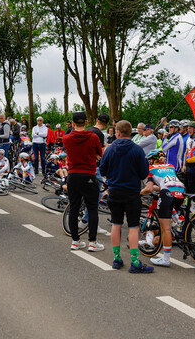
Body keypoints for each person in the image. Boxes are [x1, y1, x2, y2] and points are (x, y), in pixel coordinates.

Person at [99, 120, 153, 273]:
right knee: (133, 226)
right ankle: (135, 262)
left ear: (117, 132)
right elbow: (144, 173)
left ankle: (117, 259)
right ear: (132, 133)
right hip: (132, 192)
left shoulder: (109, 150)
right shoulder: (137, 150)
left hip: (114, 191)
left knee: (116, 224)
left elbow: (102, 170)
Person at [63, 111, 104, 251]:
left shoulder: (66, 138)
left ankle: (75, 241)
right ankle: (92, 242)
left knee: (73, 209)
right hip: (89, 175)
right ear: (86, 122)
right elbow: (101, 154)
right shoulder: (93, 137)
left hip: (73, 176)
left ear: (73, 123)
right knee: (92, 209)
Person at [140, 149, 185, 267]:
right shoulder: (170, 166)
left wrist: (139, 193)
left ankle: (166, 259)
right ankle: (178, 220)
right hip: (180, 191)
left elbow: (149, 189)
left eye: (150, 160)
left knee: (166, 229)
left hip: (167, 193)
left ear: (153, 160)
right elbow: (163, 184)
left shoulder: (150, 169)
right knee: (169, 204)